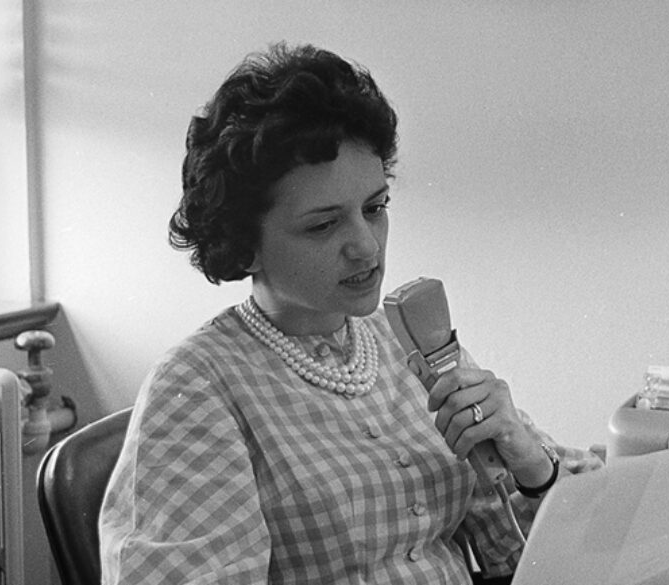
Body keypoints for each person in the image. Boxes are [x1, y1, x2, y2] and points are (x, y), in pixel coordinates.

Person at [98, 42, 602, 585]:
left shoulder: (406, 338)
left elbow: (530, 561)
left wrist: (529, 464)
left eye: (374, 208)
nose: (366, 246)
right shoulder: (199, 385)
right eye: (323, 225)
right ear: (244, 244)